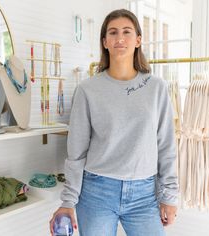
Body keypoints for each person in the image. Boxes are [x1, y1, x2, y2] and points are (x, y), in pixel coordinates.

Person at [50, 9, 178, 236]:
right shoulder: (87, 90)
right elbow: (76, 151)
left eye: (127, 32)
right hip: (96, 192)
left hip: (145, 194)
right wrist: (68, 200)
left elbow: (166, 146)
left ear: (138, 40)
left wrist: (169, 195)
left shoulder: (157, 87)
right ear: (105, 42)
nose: (120, 38)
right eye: (113, 32)